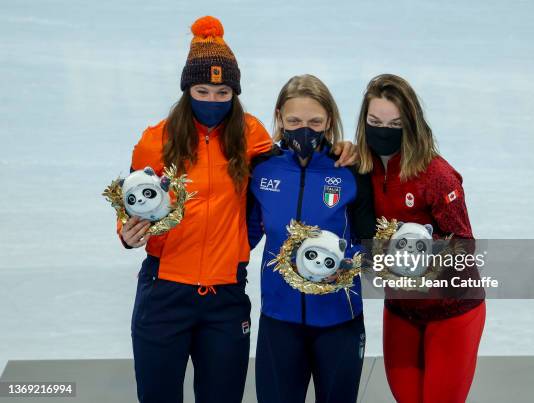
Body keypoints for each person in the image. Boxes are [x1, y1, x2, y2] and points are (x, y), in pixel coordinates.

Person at [116, 17, 357, 403]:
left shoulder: (251, 135)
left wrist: (340, 150)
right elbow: (132, 202)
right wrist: (125, 234)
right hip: (164, 294)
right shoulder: (154, 141)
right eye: (202, 90)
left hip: (225, 299)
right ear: (186, 89)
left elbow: (293, 166)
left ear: (235, 92)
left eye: (222, 91)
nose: (212, 100)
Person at [355, 74, 486, 403]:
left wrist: (420, 262)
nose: (383, 130)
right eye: (375, 121)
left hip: (452, 312)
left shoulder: (435, 174)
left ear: (410, 124)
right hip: (401, 312)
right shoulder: (359, 167)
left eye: (395, 123)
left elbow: (464, 246)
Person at [248, 74, 376, 403]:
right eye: (294, 120)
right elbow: (241, 237)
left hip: (339, 321)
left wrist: (347, 267)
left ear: (329, 120)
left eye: (315, 121)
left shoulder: (352, 170)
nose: (304, 129)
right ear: (279, 117)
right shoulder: (262, 171)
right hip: (279, 320)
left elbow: (369, 245)